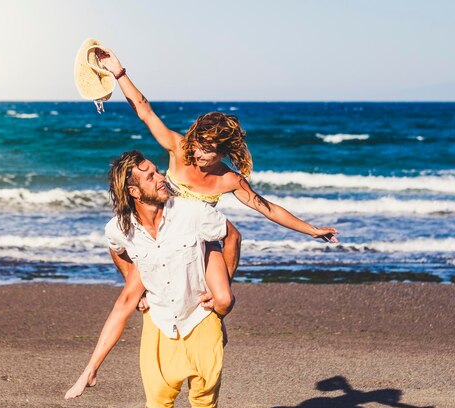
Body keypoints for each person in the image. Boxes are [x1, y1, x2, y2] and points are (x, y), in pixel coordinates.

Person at [96, 47, 338, 300]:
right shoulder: (180, 149)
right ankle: (137, 293)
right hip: (164, 230)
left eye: (207, 150)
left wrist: (311, 230)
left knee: (230, 248)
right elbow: (145, 111)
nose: (198, 154)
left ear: (223, 152)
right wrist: (119, 72)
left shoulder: (229, 179)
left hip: (197, 240)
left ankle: (219, 291)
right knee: (118, 236)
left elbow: (267, 208)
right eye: (198, 145)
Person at [65, 150, 234, 408]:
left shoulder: (192, 213)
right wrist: (90, 369)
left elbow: (231, 236)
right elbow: (117, 252)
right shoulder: (119, 229)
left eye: (157, 170)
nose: (161, 177)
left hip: (200, 319)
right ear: (133, 191)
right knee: (158, 407)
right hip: (160, 324)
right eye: (150, 176)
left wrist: (223, 287)